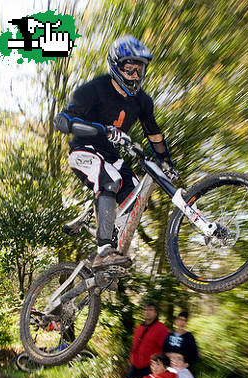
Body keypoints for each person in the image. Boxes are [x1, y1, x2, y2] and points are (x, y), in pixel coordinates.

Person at [54, 34, 173, 270]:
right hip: (83, 150)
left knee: (140, 197)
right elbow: (62, 120)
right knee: (110, 180)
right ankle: (103, 250)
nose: (135, 76)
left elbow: (154, 134)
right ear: (116, 66)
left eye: (140, 70)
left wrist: (166, 162)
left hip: (112, 157)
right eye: (130, 70)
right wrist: (102, 130)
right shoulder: (94, 89)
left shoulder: (142, 101)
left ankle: (102, 227)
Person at [124, 302, 169, 378]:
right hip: (135, 366)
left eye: (150, 310)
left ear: (156, 313)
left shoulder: (161, 328)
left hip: (150, 368)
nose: (147, 312)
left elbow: (166, 349)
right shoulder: (139, 328)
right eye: (145, 309)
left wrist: (161, 367)